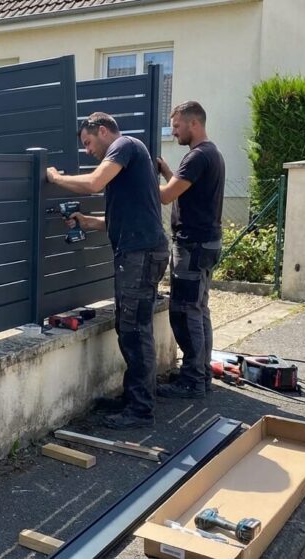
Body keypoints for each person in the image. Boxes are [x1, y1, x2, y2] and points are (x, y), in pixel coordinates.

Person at [47, 112, 168, 429]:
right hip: (142, 250)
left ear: (102, 130)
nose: (88, 151)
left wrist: (56, 178)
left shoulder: (124, 145)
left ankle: (140, 410)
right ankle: (134, 397)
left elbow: (93, 183)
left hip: (140, 255)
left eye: (88, 143)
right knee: (131, 327)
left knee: (135, 330)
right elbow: (129, 215)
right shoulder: (131, 157)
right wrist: (89, 223)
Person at [154, 101, 226, 399]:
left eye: (177, 126)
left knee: (185, 312)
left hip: (192, 245)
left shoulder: (196, 157)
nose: (174, 133)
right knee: (199, 309)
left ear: (193, 124)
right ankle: (202, 375)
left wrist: (140, 180)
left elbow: (168, 195)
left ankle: (193, 380)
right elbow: (183, 189)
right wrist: (167, 170)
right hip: (207, 243)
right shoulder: (212, 154)